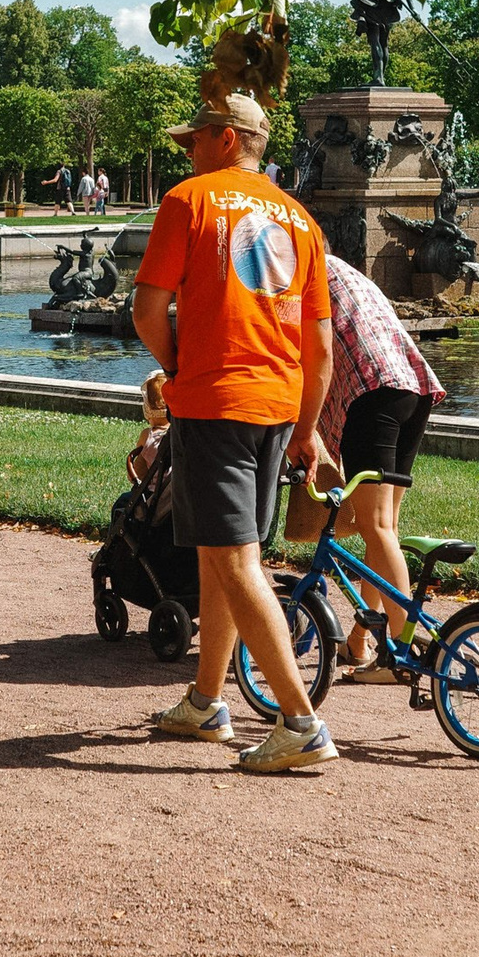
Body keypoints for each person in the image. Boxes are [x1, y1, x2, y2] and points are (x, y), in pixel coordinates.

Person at [132, 91, 339, 773]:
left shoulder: (189, 201)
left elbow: (146, 306)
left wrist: (176, 364)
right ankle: (204, 701)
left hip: (218, 400)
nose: (186, 148)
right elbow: (322, 348)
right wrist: (308, 429)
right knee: (221, 553)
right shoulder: (301, 218)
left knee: (237, 562)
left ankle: (300, 721)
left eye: (195, 137)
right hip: (277, 407)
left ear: (226, 139)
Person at [282, 253, 447, 682]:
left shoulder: (296, 277)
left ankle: (403, 653)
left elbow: (301, 353)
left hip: (369, 390)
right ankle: (361, 639)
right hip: (412, 387)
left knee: (375, 528)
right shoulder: (340, 269)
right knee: (384, 529)